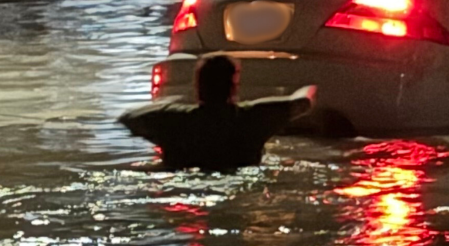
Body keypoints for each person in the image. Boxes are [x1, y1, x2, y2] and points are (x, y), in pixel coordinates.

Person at [119, 54, 316, 172]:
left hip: (184, 185)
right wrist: (309, 86)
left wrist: (167, 102)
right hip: (238, 181)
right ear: (233, 87)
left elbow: (127, 118)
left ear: (198, 86)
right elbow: (303, 103)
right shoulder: (255, 118)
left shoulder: (171, 119)